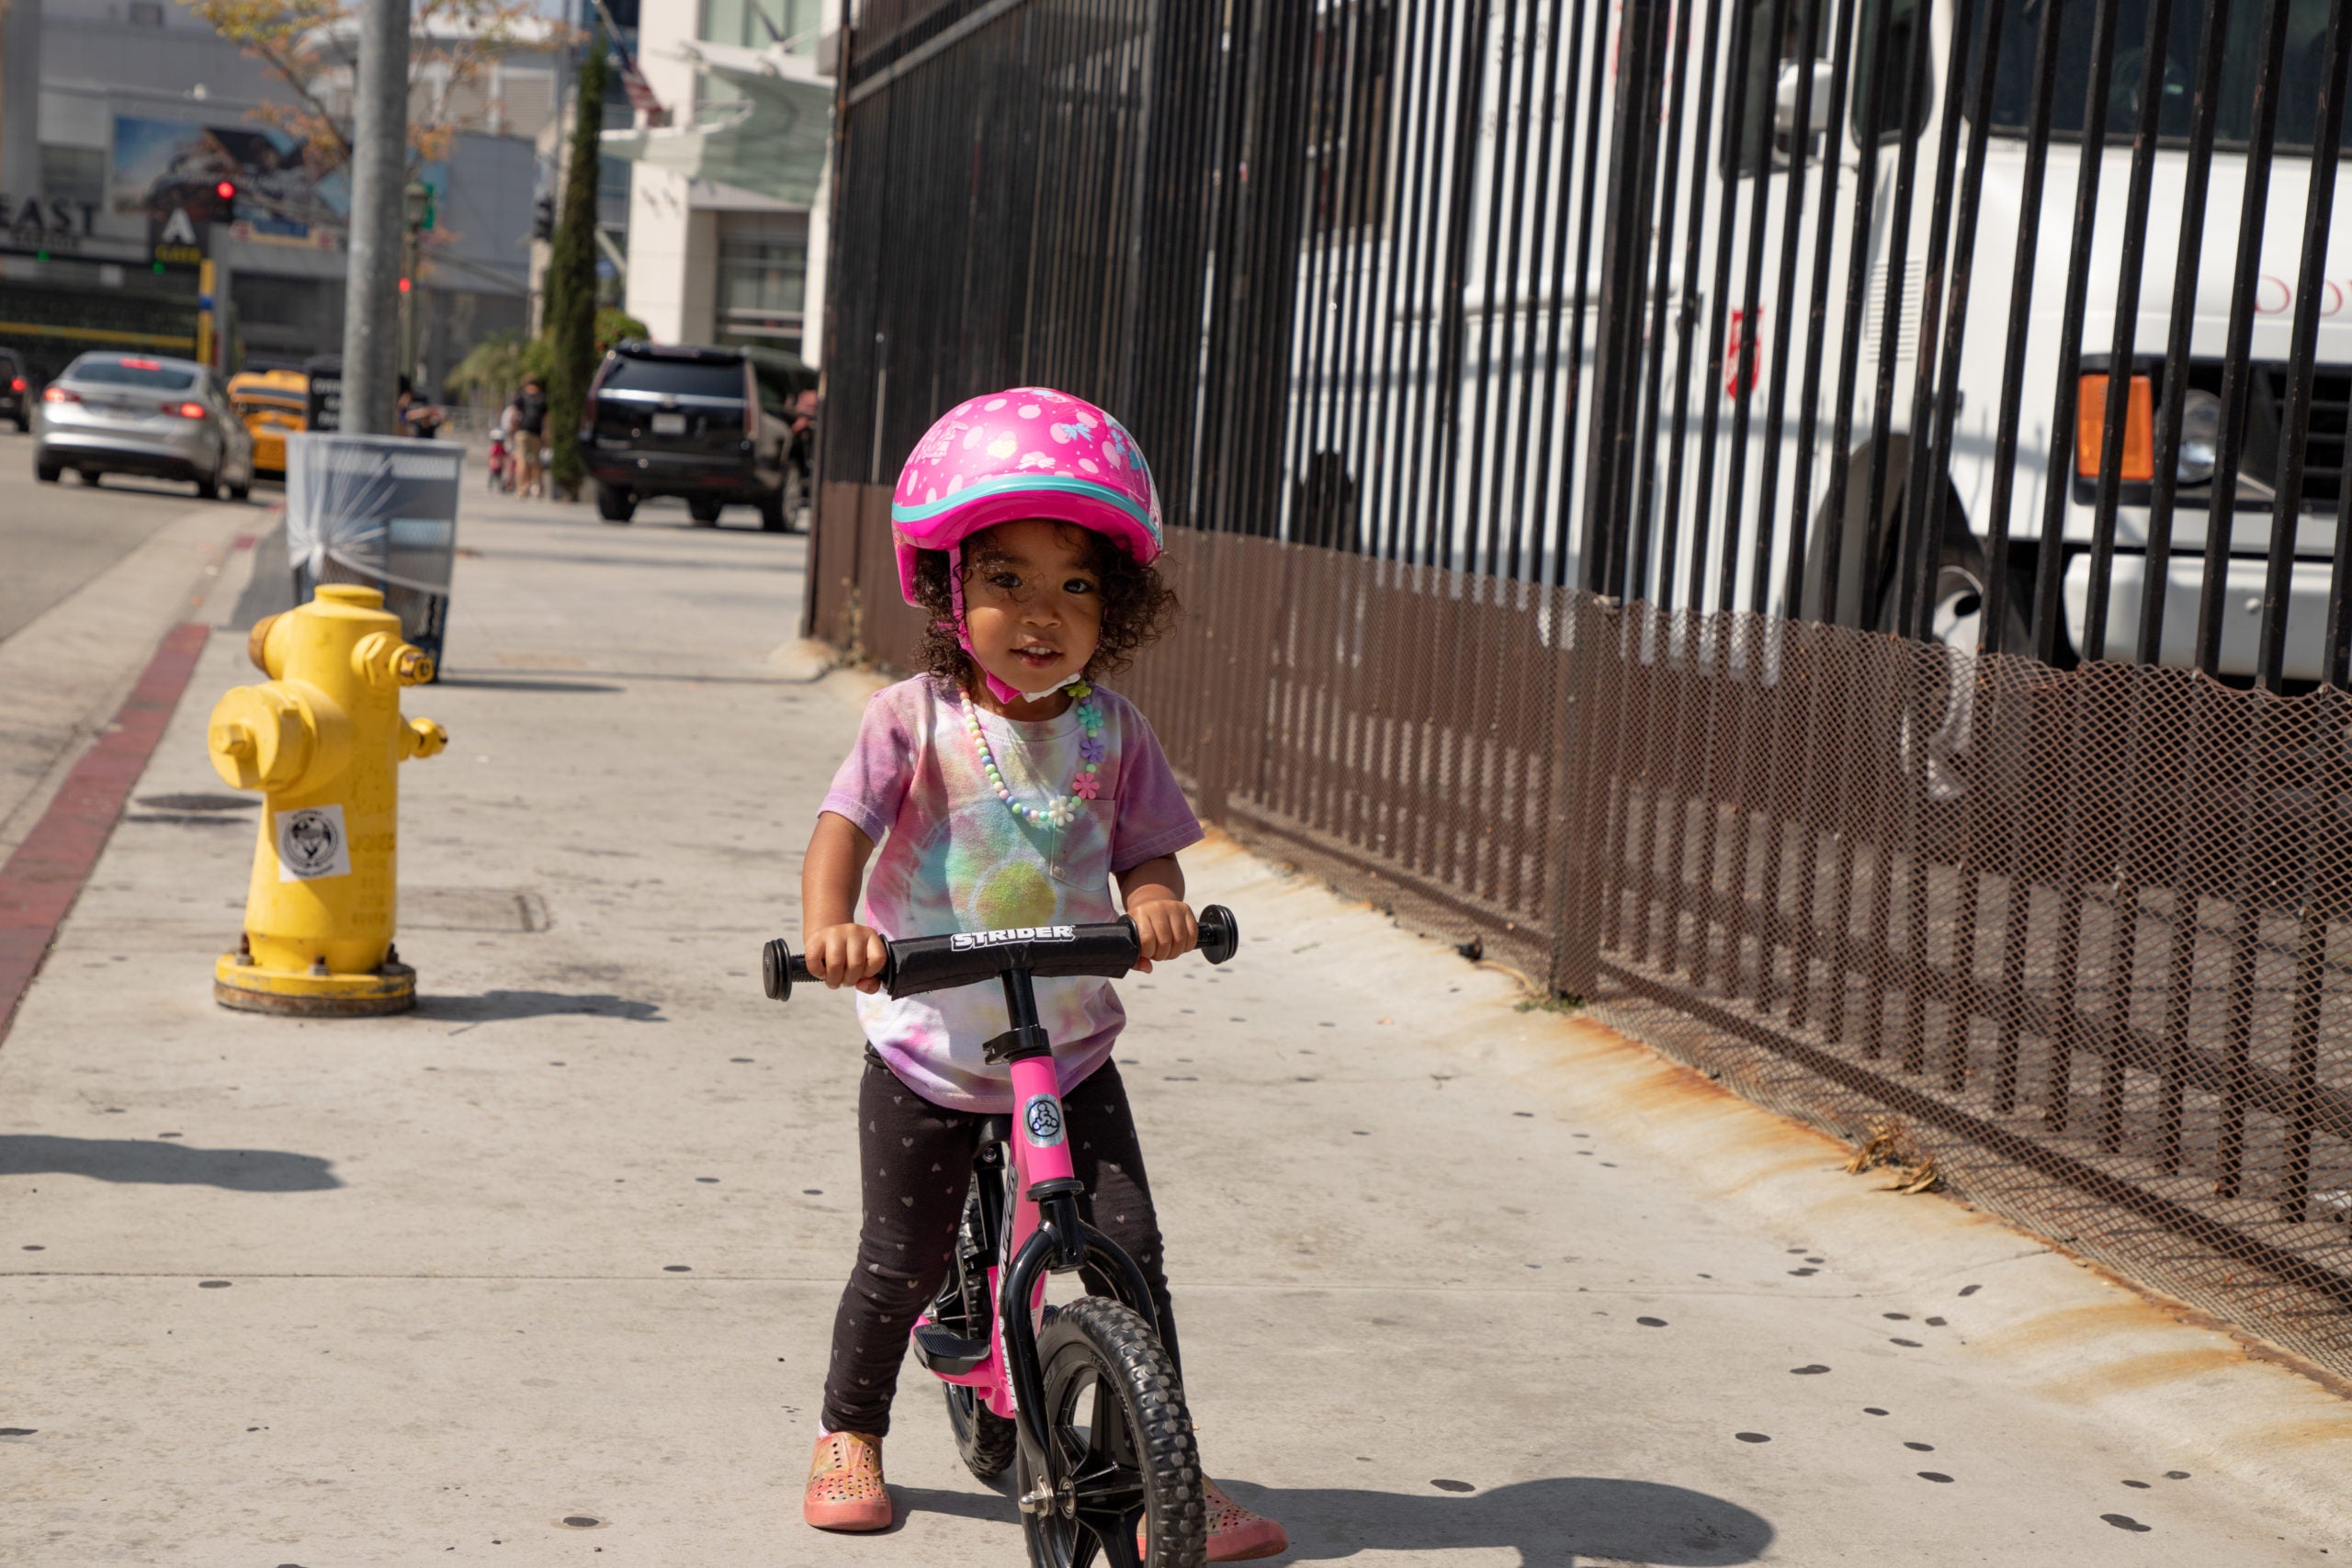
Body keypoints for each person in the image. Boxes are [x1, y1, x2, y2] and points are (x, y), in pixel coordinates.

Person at [797, 388, 1288, 1562]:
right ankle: (847, 1430)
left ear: (1111, 609)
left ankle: (1162, 1470)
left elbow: (1144, 849)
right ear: (947, 588)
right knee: (900, 1258)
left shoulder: (1113, 731)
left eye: (1074, 585)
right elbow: (843, 830)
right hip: (930, 1043)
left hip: (1068, 1038)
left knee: (1125, 1246)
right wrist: (832, 928)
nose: (1039, 612)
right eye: (1006, 577)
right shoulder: (911, 717)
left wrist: (1157, 904)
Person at [513, 376, 548, 498]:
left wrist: (513, 430)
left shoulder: (522, 396)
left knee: (521, 460)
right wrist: (546, 435)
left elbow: (515, 415)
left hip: (522, 432)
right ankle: (537, 487)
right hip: (536, 433)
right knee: (536, 461)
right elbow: (546, 420)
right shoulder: (542, 398)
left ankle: (521, 488)